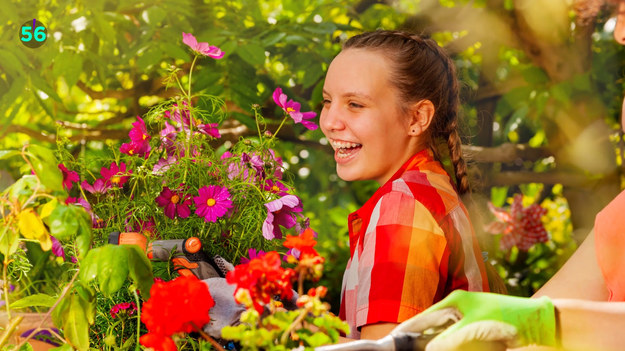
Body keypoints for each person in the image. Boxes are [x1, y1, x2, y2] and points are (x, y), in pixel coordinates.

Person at [373, 1, 625, 350]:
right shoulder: (620, 218)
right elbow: (540, 316)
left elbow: (539, 320)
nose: (618, 32)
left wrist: (537, 323)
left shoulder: (404, 203)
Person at [318, 30, 490, 341]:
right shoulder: (428, 191)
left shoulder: (403, 206)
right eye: (328, 101)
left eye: (355, 104)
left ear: (417, 117)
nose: (330, 121)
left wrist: (277, 333)